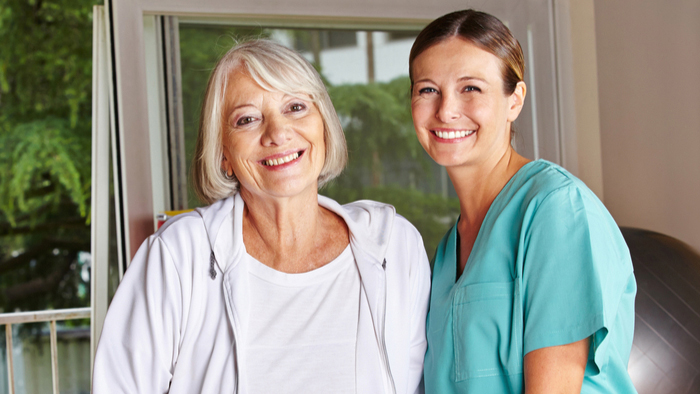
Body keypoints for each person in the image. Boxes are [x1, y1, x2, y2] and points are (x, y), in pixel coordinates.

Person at [92, 39, 431, 394]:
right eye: (248, 119)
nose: (278, 133)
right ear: (223, 153)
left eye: (296, 107)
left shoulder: (394, 245)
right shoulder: (178, 256)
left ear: (325, 127)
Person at [409, 10, 637, 393]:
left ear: (515, 100)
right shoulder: (451, 247)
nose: (445, 110)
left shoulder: (555, 209)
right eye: (428, 89)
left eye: (471, 88)